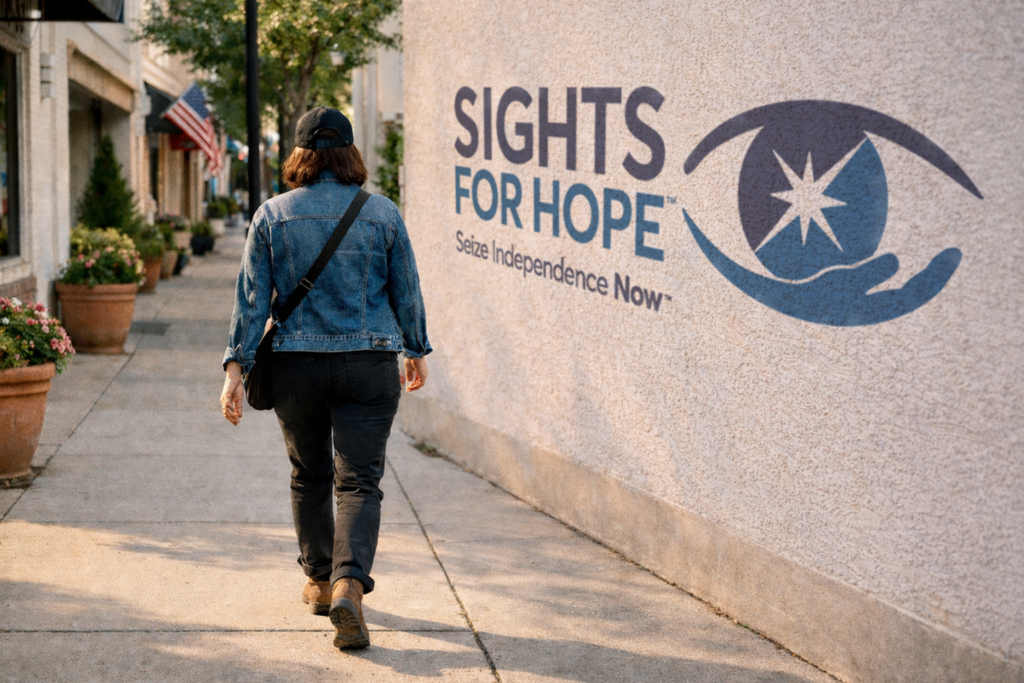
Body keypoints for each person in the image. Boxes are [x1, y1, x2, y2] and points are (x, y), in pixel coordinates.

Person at [219, 106, 431, 651]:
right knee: (359, 480)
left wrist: (236, 368)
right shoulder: (383, 213)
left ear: (300, 155)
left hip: (295, 367)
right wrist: (415, 348)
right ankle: (348, 584)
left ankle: (316, 580)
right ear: (351, 153)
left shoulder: (272, 215)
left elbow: (250, 301)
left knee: (308, 475)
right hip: (368, 362)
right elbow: (405, 288)